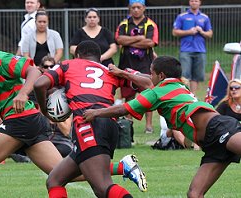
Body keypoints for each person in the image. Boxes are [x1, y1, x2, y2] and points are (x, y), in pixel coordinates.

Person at [0, 26, 147, 197]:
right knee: (59, 174)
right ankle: (123, 167)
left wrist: (23, 94)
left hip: (20, 119)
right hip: (32, 121)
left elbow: (34, 72)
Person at [83, 55, 241, 197]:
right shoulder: (178, 85)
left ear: (161, 75)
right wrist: (124, 74)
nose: (150, 76)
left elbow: (124, 109)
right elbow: (146, 81)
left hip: (218, 128)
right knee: (194, 193)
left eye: (152, 73)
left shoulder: (157, 93)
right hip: (212, 144)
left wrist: (96, 113)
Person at [34, 40, 151, 197]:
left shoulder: (68, 65)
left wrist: (45, 110)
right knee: (55, 180)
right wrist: (124, 73)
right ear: (100, 58)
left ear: (77, 55)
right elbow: (149, 83)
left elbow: (39, 84)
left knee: (102, 187)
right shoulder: (110, 70)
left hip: (88, 123)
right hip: (109, 124)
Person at [115, 0, 159, 135]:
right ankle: (128, 124)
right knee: (128, 96)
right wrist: (139, 38)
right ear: (129, 8)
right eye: (133, 7)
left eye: (138, 7)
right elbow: (119, 40)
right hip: (126, 65)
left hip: (145, 65)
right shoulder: (124, 24)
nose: (135, 10)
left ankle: (149, 125)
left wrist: (129, 41)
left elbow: (151, 42)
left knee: (148, 95)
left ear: (144, 8)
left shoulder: (150, 24)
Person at [172, 0, 213, 95]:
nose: (194, 2)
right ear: (189, 2)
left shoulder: (204, 17)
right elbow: (175, 32)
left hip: (200, 50)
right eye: (192, 1)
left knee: (196, 76)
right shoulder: (182, 16)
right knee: (185, 74)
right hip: (186, 50)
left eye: (196, 1)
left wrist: (202, 32)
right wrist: (189, 32)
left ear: (200, 3)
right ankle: (184, 94)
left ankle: (193, 95)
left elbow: (210, 34)